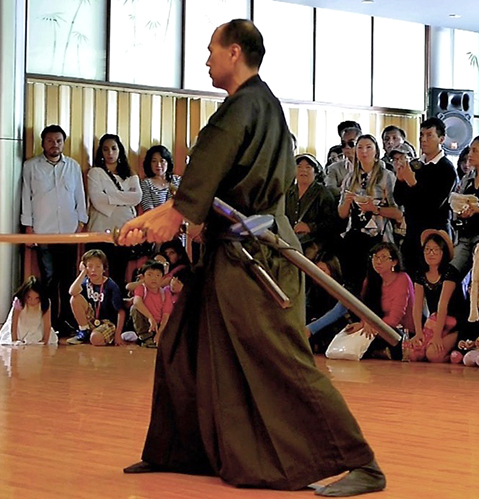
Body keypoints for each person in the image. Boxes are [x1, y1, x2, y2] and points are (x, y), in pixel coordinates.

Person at [118, 19, 385, 497]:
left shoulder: (241, 110)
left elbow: (193, 200)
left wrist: (168, 218)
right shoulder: (261, 106)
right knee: (183, 345)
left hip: (254, 257)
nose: (206, 60)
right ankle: (185, 451)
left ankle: (359, 461)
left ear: (235, 52)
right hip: (236, 248)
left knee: (282, 359)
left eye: (211, 51)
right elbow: (207, 192)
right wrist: (159, 216)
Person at [21, 125, 88, 335]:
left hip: (69, 231)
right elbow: (26, 197)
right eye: (50, 141)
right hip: (43, 231)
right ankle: (48, 323)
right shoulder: (31, 166)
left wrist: (81, 223)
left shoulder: (73, 166)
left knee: (69, 279)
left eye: (58, 141)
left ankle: (67, 322)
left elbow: (80, 196)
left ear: (63, 143)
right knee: (49, 279)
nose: (54, 145)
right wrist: (28, 228)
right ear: (43, 143)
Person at [338, 134, 402, 294]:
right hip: (354, 236)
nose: (363, 152)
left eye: (368, 147)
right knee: (352, 283)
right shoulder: (350, 178)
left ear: (376, 152)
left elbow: (398, 213)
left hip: (378, 237)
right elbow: (342, 214)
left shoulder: (387, 176)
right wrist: (347, 200)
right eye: (359, 147)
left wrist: (375, 208)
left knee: (374, 285)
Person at [394, 117, 458, 274]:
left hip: (434, 235)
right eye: (421, 135)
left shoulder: (446, 168)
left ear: (441, 139)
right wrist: (400, 180)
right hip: (412, 233)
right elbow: (399, 199)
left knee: (431, 281)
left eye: (429, 135)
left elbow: (432, 204)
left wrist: (412, 183)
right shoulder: (416, 164)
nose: (424, 139)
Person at [86, 133, 142, 290]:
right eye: (105, 149)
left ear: (120, 151)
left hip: (123, 232)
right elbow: (97, 199)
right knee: (95, 276)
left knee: (118, 276)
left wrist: (109, 196)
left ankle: (117, 312)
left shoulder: (130, 175)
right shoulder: (95, 172)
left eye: (113, 148)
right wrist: (124, 199)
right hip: (100, 231)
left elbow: (137, 198)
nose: (110, 153)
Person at [405, 230, 467, 363]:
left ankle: (455, 353)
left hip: (455, 322)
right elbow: (417, 305)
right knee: (412, 353)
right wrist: (418, 332)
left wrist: (437, 336)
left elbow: (443, 304)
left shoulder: (450, 272)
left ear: (443, 252)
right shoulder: (420, 273)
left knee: (433, 355)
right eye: (427, 249)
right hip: (435, 320)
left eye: (435, 250)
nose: (430, 253)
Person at [450, 135, 479, 277]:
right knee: (451, 272)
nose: (470, 155)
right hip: (465, 234)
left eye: (475, 151)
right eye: (470, 150)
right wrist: (460, 211)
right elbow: (458, 204)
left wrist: (477, 210)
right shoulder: (467, 178)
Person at [67, 249, 126, 346]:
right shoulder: (85, 282)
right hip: (91, 319)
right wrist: (82, 273)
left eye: (98, 267)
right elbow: (72, 292)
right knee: (75, 298)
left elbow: (121, 311)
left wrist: (118, 334)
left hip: (107, 323)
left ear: (104, 269)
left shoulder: (111, 285)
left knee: (95, 339)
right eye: (90, 266)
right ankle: (84, 330)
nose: (93, 270)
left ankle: (97, 336)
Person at [285, 153, 338, 260]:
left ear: (315, 172)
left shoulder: (323, 193)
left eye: (308, 167)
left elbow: (332, 223)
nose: (303, 170)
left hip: (314, 241)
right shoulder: (289, 192)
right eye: (299, 166)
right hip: (290, 239)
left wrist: (310, 227)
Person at [0, 276, 58, 345]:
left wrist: (45, 340)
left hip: (36, 326)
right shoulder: (19, 301)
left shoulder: (45, 303)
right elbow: (14, 322)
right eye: (29, 297)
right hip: (21, 326)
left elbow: (47, 324)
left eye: (36, 298)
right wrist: (14, 340)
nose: (32, 301)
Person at [130, 260, 173, 346]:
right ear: (143, 277)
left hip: (159, 325)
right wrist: (150, 318)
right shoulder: (141, 288)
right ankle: (145, 337)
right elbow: (136, 302)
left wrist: (159, 333)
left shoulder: (165, 294)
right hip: (146, 323)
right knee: (134, 309)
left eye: (158, 275)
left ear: (162, 278)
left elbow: (166, 315)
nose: (154, 278)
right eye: (150, 275)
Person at [139, 145, 181, 212]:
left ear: (168, 162)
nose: (158, 165)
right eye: (154, 161)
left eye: (162, 161)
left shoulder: (177, 180)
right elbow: (148, 210)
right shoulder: (146, 183)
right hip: (156, 220)